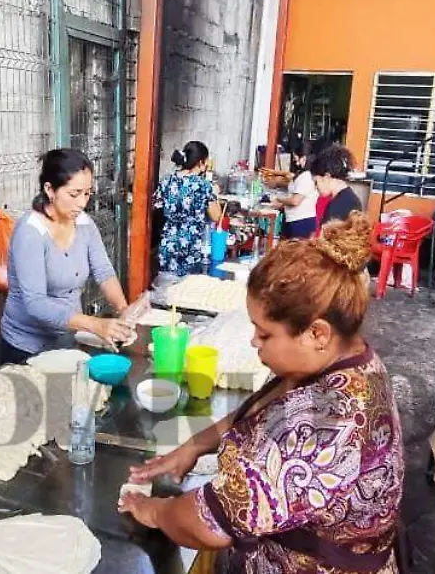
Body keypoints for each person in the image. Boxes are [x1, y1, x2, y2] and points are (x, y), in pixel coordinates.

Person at [120, 213, 405, 573]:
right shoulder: (345, 359)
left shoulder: (329, 421)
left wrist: (153, 511)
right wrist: (194, 446)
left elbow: (209, 525)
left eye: (265, 333)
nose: (254, 341)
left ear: (317, 334)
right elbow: (266, 407)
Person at [1, 149, 132, 363]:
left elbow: (104, 271)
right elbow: (35, 303)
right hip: (27, 346)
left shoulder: (84, 223)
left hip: (68, 337)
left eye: (87, 193)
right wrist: (95, 325)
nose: (82, 203)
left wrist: (124, 310)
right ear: (50, 190)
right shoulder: (30, 232)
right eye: (74, 194)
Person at [155, 141, 222, 276]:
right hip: (191, 246)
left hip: (168, 243)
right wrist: (215, 194)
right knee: (187, 290)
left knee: (167, 288)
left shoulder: (166, 180)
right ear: (200, 162)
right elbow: (216, 216)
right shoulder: (203, 185)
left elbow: (158, 205)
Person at [271, 141, 319, 239]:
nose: (295, 162)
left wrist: (279, 199)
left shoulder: (307, 176)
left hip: (302, 222)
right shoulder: (302, 173)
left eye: (296, 159)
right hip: (294, 220)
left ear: (304, 158)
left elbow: (295, 200)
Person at [310, 144, 361, 227]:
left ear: (327, 177)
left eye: (316, 182)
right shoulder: (349, 199)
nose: (315, 187)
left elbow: (327, 238)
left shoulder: (339, 206)